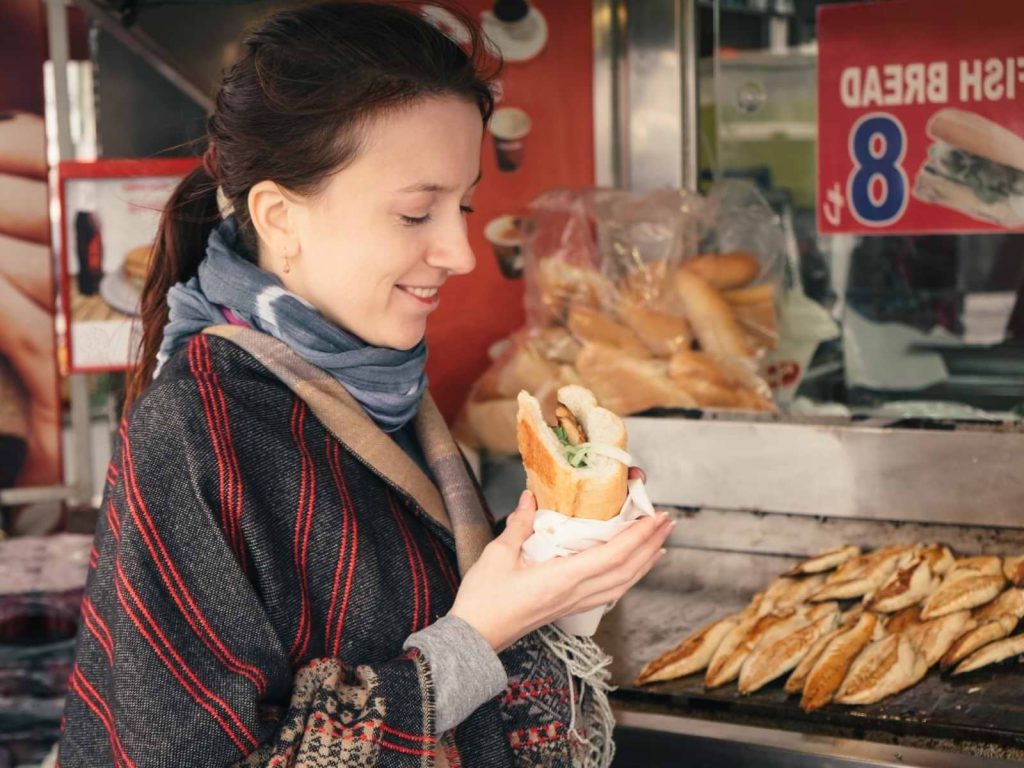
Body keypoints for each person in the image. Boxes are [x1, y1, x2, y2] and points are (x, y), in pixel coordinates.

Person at [58, 3, 673, 767]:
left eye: (464, 206)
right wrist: (475, 637)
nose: (460, 252)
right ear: (280, 217)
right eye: (417, 213)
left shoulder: (380, 394)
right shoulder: (196, 432)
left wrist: (561, 583)